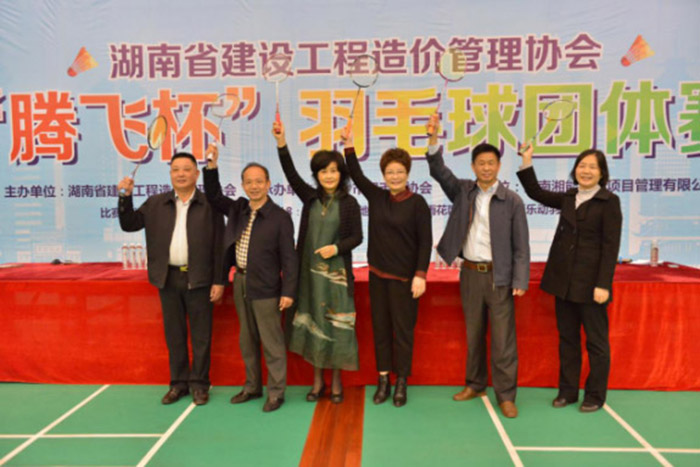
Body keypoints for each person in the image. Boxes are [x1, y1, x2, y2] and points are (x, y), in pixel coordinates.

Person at [425, 114, 529, 418]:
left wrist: (520, 280)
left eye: (491, 163)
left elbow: (521, 246)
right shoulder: (463, 191)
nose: (486, 167)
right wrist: (433, 138)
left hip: (500, 277)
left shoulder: (512, 200)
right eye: (480, 163)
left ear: (499, 166)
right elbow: (438, 170)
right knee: (474, 334)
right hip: (470, 274)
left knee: (503, 340)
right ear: (472, 167)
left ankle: (506, 396)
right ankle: (475, 384)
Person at [517, 143, 622, 413]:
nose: (586, 171)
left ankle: (595, 395)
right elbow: (536, 192)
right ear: (575, 170)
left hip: (591, 285)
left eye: (592, 167)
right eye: (581, 166)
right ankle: (567, 392)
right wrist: (527, 161)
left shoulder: (609, 202)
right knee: (568, 340)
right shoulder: (569, 197)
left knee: (596, 343)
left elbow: (611, 247)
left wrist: (603, 284)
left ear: (602, 173)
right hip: (563, 282)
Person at [117, 152, 225, 406]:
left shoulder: (209, 204)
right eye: (176, 169)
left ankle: (200, 384)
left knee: (201, 337)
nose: (181, 174)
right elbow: (129, 224)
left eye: (186, 169)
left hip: (200, 278)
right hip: (168, 277)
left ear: (196, 174)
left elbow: (220, 245)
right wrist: (125, 197)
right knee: (174, 336)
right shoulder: (156, 203)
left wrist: (219, 280)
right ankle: (178, 384)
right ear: (170, 174)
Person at [272, 121, 363, 404]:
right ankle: (317, 382)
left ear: (341, 174)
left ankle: (335, 383)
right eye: (323, 171)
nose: (328, 175)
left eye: (333, 170)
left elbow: (357, 237)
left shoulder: (349, 203)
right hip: (309, 278)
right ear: (317, 175)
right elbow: (290, 173)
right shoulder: (310, 197)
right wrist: (281, 142)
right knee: (314, 327)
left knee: (336, 328)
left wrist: (336, 248)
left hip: (337, 279)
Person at [203, 143, 298, 413]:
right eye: (249, 182)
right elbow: (214, 196)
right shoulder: (239, 209)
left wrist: (288, 291)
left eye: (259, 181)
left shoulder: (280, 218)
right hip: (241, 281)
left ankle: (276, 393)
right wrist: (212, 166)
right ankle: (252, 386)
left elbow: (289, 259)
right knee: (247, 340)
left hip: (267, 286)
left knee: (272, 342)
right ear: (243, 185)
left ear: (268, 184)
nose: (254, 186)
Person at [343, 129, 432, 408]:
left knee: (403, 332)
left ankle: (401, 381)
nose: (395, 176)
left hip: (405, 280)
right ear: (383, 175)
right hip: (378, 277)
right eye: (390, 172)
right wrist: (349, 147)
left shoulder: (417, 204)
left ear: (407, 173)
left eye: (399, 172)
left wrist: (420, 275)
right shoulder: (377, 197)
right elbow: (356, 175)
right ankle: (383, 379)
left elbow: (425, 242)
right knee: (380, 330)